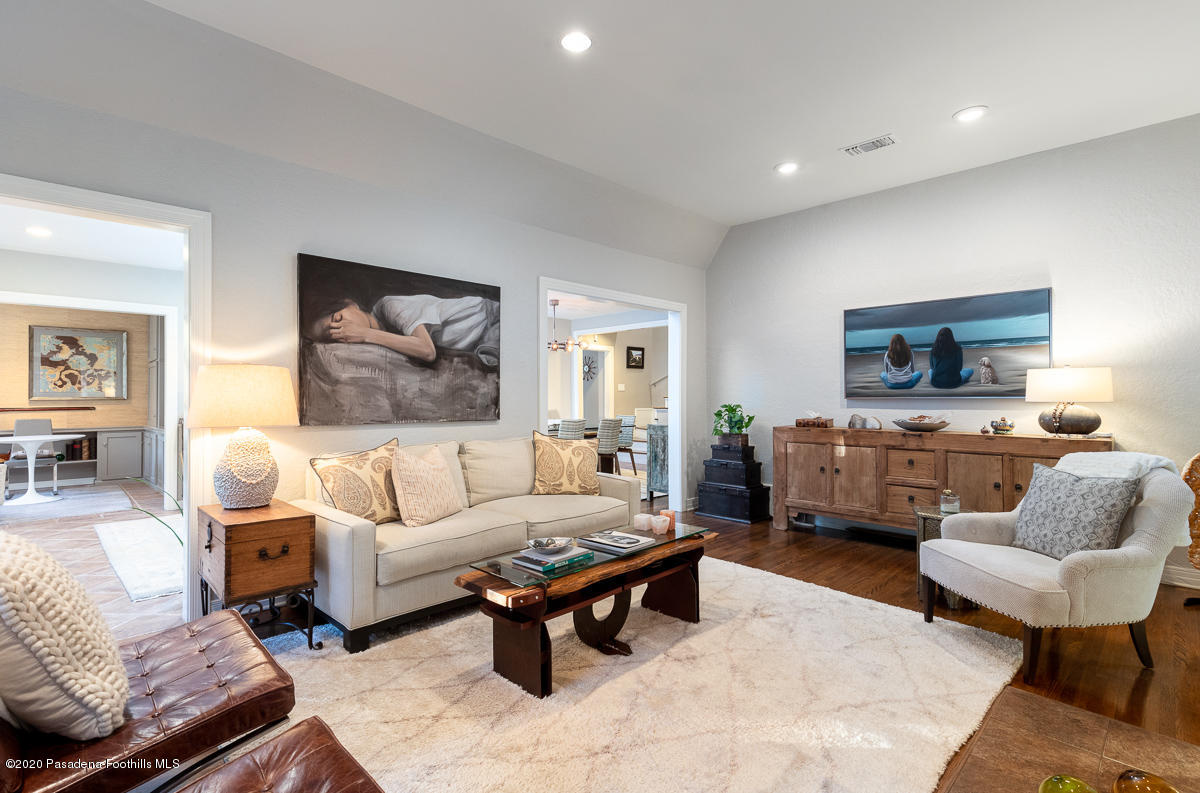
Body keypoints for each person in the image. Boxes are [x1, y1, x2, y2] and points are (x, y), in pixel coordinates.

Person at [308, 294, 500, 369]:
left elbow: (427, 350)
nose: (342, 330)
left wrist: (364, 334)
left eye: (338, 319)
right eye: (331, 334)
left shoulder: (390, 306)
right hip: (480, 341)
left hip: (493, 319)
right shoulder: (383, 340)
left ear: (351, 304)